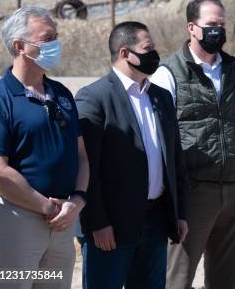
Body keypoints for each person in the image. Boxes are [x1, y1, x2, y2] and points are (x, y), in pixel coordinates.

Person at [151, 0, 235, 289]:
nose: (218, 31)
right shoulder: (168, 73)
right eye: (211, 25)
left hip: (233, 189)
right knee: (176, 278)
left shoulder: (233, 69)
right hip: (193, 193)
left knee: (225, 279)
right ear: (192, 28)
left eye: (222, 25)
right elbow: (160, 136)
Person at [75, 21, 188, 289]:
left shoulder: (160, 97)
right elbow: (86, 167)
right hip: (111, 228)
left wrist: (179, 213)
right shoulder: (94, 98)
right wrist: (97, 222)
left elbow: (174, 159)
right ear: (125, 53)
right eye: (148, 48)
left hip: (156, 222)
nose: (155, 54)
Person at [0, 6, 89, 288]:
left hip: (62, 224)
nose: (55, 44)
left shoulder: (61, 94)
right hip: (20, 221)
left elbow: (81, 156)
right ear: (20, 46)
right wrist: (45, 206)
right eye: (48, 38)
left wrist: (77, 202)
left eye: (56, 36)